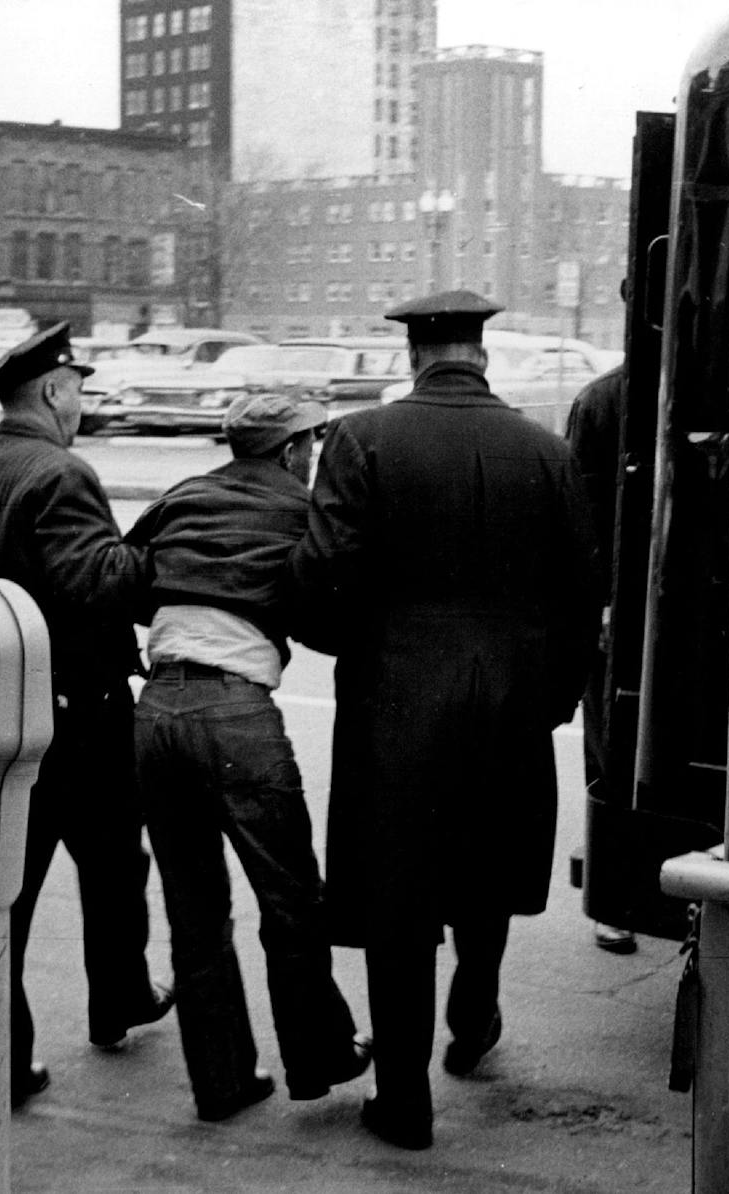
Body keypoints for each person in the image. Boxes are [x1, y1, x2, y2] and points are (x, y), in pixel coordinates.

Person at [289, 290, 602, 1151]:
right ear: (482, 355)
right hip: (510, 706)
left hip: (395, 708)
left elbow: (320, 585)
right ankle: (474, 1011)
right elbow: (584, 596)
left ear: (413, 357)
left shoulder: (361, 440)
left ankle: (405, 1102)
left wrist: (366, 648)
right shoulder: (545, 451)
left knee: (399, 900)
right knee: (487, 865)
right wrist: (551, 698)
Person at [125, 393, 372, 1122]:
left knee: (194, 910)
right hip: (235, 714)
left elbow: (131, 576)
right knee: (289, 898)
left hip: (157, 711)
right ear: (292, 450)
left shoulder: (183, 494)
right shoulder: (304, 508)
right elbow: (329, 605)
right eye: (311, 444)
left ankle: (224, 1081)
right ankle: (318, 1058)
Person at [0, 322, 173, 1110]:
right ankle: (118, 1000)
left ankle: (11, 1056)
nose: (82, 402)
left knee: (14, 884)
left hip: (6, 708)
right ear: (52, 391)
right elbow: (98, 583)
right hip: (78, 716)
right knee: (114, 864)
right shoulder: (61, 472)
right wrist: (152, 546)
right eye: (77, 387)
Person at [564, 360, 638, 955]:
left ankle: (620, 897)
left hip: (633, 601)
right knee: (611, 750)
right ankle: (614, 897)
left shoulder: (602, 398)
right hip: (621, 604)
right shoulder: (605, 401)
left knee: (615, 748)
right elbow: (581, 513)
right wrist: (602, 604)